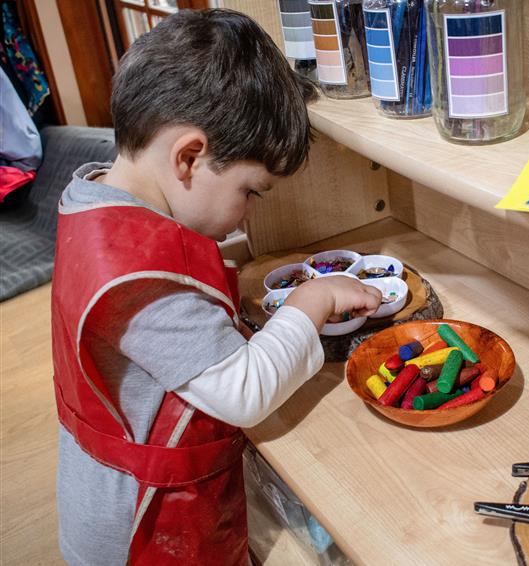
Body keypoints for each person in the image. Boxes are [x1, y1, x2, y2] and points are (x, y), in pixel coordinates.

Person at [51, 9, 381, 565]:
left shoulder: (94, 202)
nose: (247, 219)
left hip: (108, 490)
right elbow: (243, 393)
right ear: (188, 157)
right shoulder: (144, 285)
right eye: (251, 192)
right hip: (145, 525)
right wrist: (312, 300)